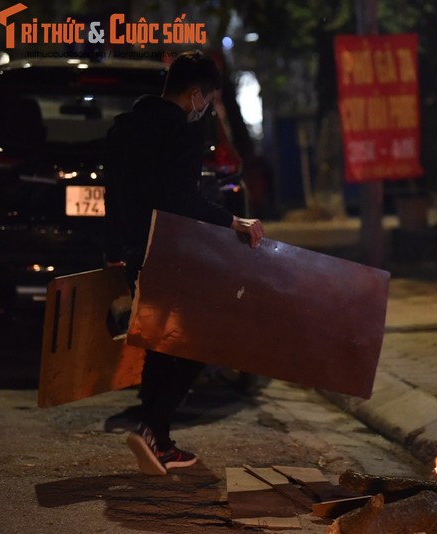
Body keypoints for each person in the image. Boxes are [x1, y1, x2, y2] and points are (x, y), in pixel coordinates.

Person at [104, 50, 264, 476]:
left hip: (136, 251)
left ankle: (156, 436)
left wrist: (113, 251)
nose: (206, 107)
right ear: (195, 94)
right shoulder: (179, 133)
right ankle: (154, 429)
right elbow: (182, 200)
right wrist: (233, 220)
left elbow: (111, 196)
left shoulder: (125, 128)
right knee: (201, 342)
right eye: (207, 99)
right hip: (170, 253)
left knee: (160, 345)